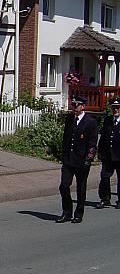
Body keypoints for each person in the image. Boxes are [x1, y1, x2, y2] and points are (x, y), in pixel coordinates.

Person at [57, 95, 98, 224]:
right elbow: (66, 139)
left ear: (83, 106)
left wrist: (88, 159)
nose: (74, 107)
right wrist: (63, 156)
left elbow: (92, 144)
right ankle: (67, 212)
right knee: (64, 186)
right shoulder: (70, 119)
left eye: (77, 105)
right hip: (69, 160)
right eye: (73, 105)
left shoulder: (90, 122)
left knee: (81, 188)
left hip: (81, 161)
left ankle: (79, 213)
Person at [96, 96, 120, 210]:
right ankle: (105, 199)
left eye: (118, 108)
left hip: (119, 156)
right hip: (108, 155)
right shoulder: (108, 120)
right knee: (104, 177)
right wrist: (100, 152)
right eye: (114, 108)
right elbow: (103, 137)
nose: (115, 110)